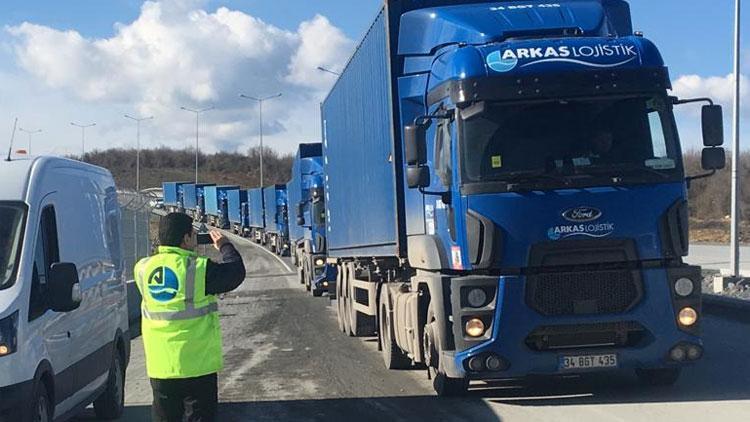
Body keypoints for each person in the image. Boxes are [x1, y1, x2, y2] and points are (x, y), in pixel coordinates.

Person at [134, 212, 246, 422]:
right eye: (193, 234)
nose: (194, 238)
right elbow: (236, 272)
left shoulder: (142, 269)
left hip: (161, 367)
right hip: (197, 366)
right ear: (185, 238)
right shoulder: (198, 270)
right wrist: (224, 246)